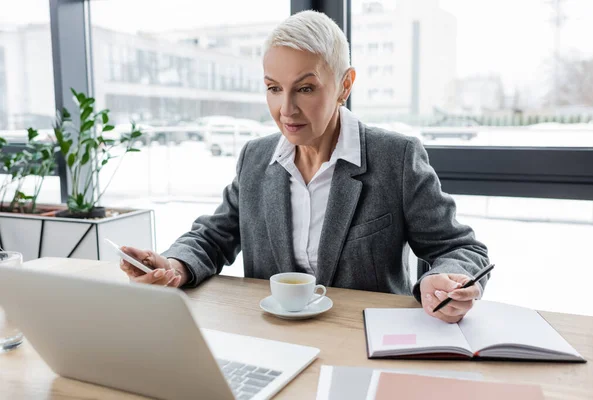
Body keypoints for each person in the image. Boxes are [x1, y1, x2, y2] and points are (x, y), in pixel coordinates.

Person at [121, 10, 490, 323]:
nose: (286, 109)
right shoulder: (255, 158)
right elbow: (213, 239)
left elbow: (461, 248)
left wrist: (445, 279)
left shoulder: (396, 157)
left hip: (363, 341)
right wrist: (172, 265)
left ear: (345, 85)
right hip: (272, 339)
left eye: (306, 88)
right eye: (274, 88)